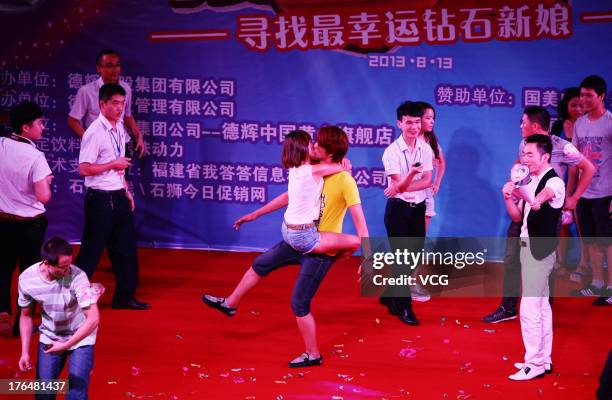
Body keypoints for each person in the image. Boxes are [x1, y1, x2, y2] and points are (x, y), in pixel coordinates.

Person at [202, 126, 368, 367]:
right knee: (260, 264)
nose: (312, 147)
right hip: (299, 238)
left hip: (319, 249)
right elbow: (289, 196)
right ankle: (230, 304)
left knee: (299, 304)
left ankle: (313, 354)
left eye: (317, 145)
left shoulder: (344, 180)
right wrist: (255, 214)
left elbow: (360, 221)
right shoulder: (308, 169)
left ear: (329, 153)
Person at [482, 105, 594, 323]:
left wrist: (573, 199)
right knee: (512, 256)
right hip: (524, 208)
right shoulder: (524, 144)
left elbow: (588, 168)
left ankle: (545, 310)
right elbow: (518, 167)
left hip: (547, 215)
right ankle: (508, 307)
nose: (520, 126)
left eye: (523, 122)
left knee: (544, 261)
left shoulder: (563, 146)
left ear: (534, 125)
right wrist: (514, 186)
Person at [75, 83, 149, 310]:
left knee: (126, 249)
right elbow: (84, 169)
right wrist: (112, 164)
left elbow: (120, 167)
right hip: (99, 200)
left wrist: (125, 189)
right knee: (91, 251)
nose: (119, 108)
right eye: (115, 103)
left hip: (118, 196)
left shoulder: (119, 129)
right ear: (102, 105)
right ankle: (71, 300)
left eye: (123, 103)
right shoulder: (94, 132)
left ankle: (124, 297)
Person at [502, 134, 565, 381]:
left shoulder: (555, 182)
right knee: (541, 306)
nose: (524, 158)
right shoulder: (531, 178)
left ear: (545, 156)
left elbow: (544, 196)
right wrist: (508, 194)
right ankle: (544, 359)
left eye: (530, 154)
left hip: (540, 251)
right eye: (524, 154)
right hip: (528, 246)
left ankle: (534, 363)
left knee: (529, 307)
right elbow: (518, 216)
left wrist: (532, 197)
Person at [18, 237, 100, 399]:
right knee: (44, 394)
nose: (67, 270)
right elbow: (25, 316)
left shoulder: (78, 277)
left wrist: (66, 345)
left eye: (69, 264)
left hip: (81, 337)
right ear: (46, 263)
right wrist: (25, 352)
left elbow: (93, 319)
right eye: (62, 267)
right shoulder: (27, 279)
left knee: (76, 394)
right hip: (50, 335)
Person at [0, 101, 52, 337]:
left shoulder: (0, 145)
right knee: (29, 275)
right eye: (40, 123)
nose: (43, 127)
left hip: (2, 221)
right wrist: (48, 185)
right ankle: (24, 322)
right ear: (25, 127)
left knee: (2, 270)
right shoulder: (35, 156)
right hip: (29, 225)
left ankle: (2, 312)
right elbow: (43, 196)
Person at [380, 101, 434, 326]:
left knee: (412, 258)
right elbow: (399, 187)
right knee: (402, 259)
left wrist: (402, 185)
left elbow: (428, 181)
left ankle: (389, 295)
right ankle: (405, 308)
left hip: (417, 209)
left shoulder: (426, 148)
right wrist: (411, 177)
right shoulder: (391, 152)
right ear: (399, 123)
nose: (414, 127)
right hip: (398, 211)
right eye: (409, 122)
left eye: (417, 122)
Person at [280, 130, 359, 256]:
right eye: (311, 143)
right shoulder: (313, 171)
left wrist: (255, 214)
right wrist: (345, 162)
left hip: (286, 229)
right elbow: (342, 167)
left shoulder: (294, 168)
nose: (314, 145)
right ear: (302, 148)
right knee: (356, 241)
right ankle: (331, 260)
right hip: (303, 236)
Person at [570, 75, 612, 305]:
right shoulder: (580, 123)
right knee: (591, 241)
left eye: (589, 95)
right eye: (582, 94)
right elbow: (575, 161)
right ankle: (596, 283)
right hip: (584, 193)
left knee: (608, 242)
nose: (583, 99)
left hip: (606, 192)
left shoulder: (610, 122)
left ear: (601, 96)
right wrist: (573, 194)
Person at [68, 49, 144, 157]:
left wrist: (138, 135)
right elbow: (72, 120)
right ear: (99, 68)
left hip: (121, 144)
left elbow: (127, 116)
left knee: (122, 174)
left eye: (117, 65)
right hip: (99, 147)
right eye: (109, 66)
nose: (115, 70)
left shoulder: (125, 88)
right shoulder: (87, 91)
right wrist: (89, 139)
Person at [551, 88, 590, 279]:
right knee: (561, 223)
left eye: (581, 105)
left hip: (583, 179)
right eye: (573, 105)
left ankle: (583, 264)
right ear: (566, 106)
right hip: (561, 179)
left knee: (582, 223)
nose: (577, 109)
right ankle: (559, 261)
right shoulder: (557, 126)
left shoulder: (588, 126)